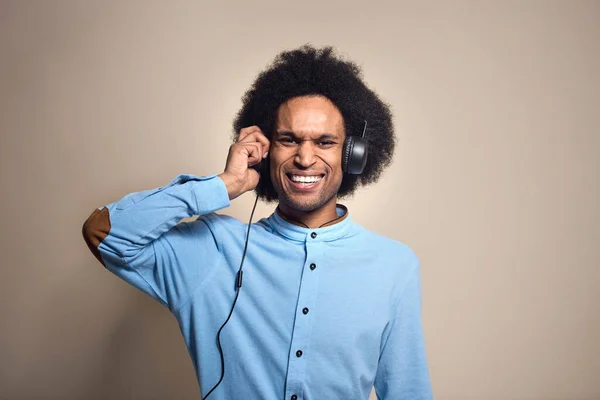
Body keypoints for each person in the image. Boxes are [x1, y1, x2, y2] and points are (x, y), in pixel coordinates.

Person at [82, 45, 433, 400]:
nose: (305, 158)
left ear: (353, 155)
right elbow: (106, 233)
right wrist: (224, 184)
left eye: (325, 142)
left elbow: (408, 392)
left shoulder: (394, 266)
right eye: (288, 140)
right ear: (266, 150)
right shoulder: (213, 248)